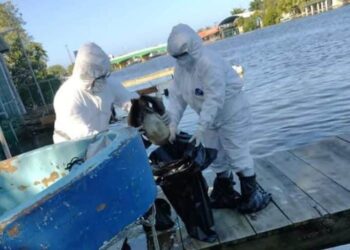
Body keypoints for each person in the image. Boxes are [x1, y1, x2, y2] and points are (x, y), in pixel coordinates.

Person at [166, 24, 271, 213]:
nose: (181, 60)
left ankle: (251, 194)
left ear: (193, 48)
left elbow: (215, 98)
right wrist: (172, 124)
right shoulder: (181, 71)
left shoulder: (209, 63)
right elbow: (176, 99)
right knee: (214, 154)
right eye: (177, 57)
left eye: (183, 55)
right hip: (208, 118)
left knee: (237, 152)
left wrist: (200, 127)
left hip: (232, 113)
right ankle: (225, 190)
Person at [53, 42, 137, 143]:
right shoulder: (66, 96)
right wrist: (119, 139)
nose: (101, 81)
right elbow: (83, 136)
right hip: (72, 150)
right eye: (97, 77)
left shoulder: (108, 83)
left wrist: (149, 114)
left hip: (102, 139)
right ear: (84, 73)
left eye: (103, 75)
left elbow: (133, 103)